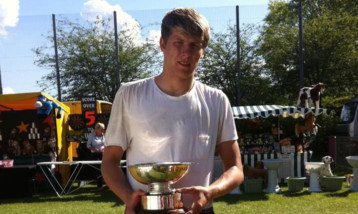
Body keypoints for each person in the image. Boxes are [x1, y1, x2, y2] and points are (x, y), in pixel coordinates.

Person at [102, 8, 244, 214]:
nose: (186, 52)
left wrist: (210, 192)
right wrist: (128, 197)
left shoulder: (217, 100)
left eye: (194, 45)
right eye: (179, 42)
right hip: (144, 211)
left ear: (202, 51)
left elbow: (235, 168)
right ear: (163, 44)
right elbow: (109, 162)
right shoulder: (129, 95)